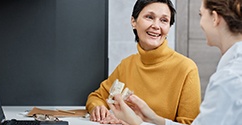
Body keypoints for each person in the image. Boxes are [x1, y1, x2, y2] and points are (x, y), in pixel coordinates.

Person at [107, 0, 242, 124]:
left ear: (215, 18)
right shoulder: (231, 73)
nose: (200, 23)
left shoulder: (229, 79)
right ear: (133, 21)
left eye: (201, 14)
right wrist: (152, 118)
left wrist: (138, 123)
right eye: (149, 17)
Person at [86, 0, 202, 124]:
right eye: (149, 17)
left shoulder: (186, 68)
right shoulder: (127, 64)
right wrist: (98, 108)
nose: (156, 26)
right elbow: (96, 97)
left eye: (164, 20)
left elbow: (191, 123)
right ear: (133, 21)